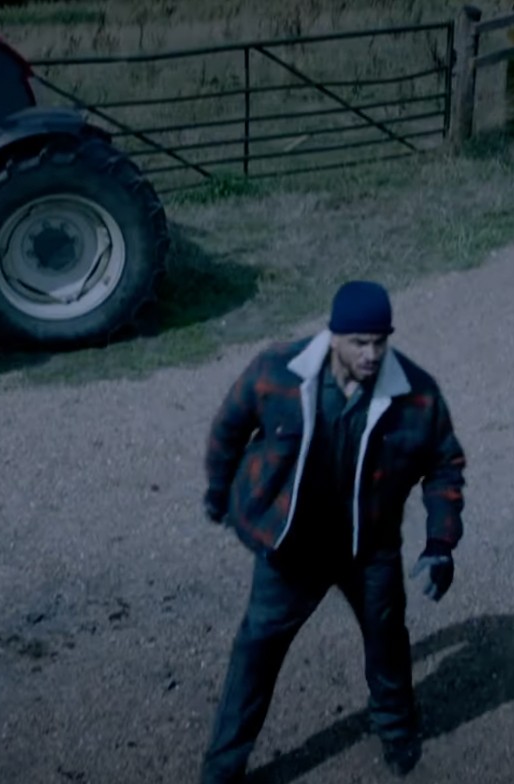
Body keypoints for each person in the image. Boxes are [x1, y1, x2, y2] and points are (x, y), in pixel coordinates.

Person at [198, 280, 468, 783]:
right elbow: (228, 428)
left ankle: (397, 731)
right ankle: (222, 768)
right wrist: (218, 493)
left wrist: (440, 544)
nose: (371, 354)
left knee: (387, 641)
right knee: (255, 652)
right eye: (359, 342)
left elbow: (445, 466)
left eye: (380, 342)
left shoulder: (417, 394)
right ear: (334, 336)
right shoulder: (277, 371)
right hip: (292, 548)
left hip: (369, 547)